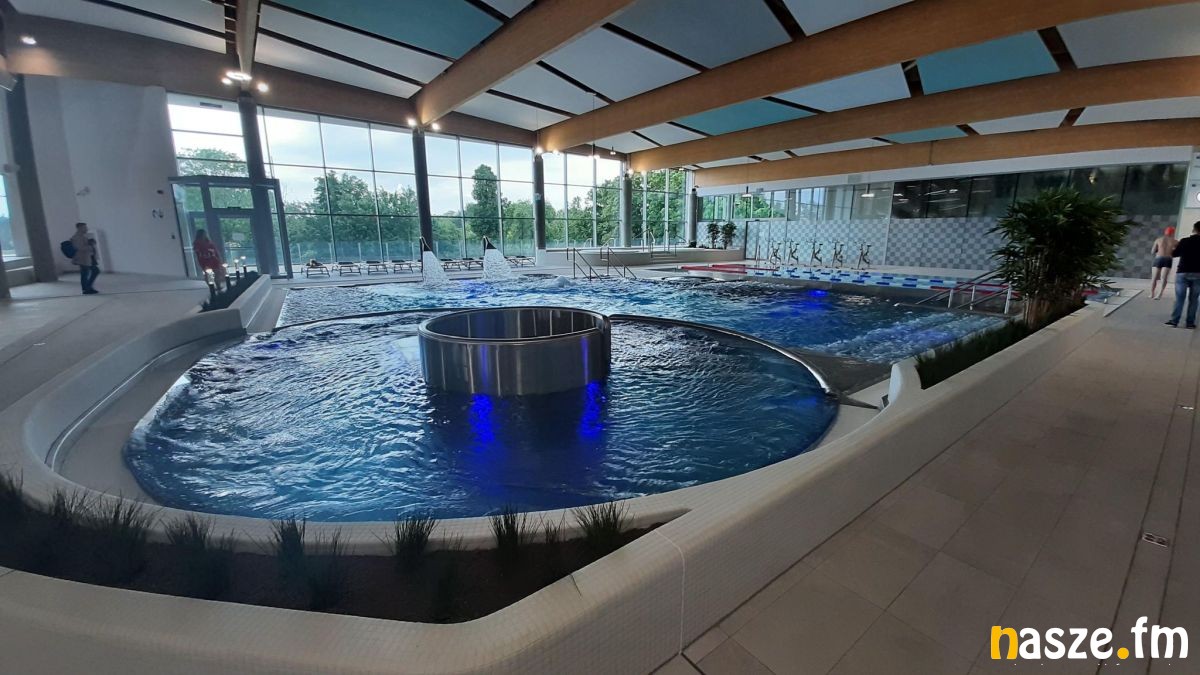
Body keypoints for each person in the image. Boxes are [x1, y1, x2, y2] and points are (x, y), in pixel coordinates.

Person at [1167, 221, 1200, 328]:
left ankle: (1174, 321)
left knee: (1180, 298)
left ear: (1194, 229)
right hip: (1198, 274)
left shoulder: (1185, 241)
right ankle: (1190, 323)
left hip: (1183, 272)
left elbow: (1174, 254)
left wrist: (1173, 247)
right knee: (1194, 300)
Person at [70, 222, 99, 295]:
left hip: (87, 257)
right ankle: (86, 289)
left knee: (92, 271)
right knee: (86, 273)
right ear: (79, 228)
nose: (86, 229)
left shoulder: (82, 236)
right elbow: (79, 247)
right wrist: (91, 246)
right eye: (84, 228)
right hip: (83, 258)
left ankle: (87, 287)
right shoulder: (77, 237)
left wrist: (89, 243)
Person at [1150, 226, 1179, 299]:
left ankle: (1152, 293)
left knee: (1154, 278)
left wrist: (1159, 250)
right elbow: (1178, 252)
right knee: (1164, 278)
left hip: (1158, 258)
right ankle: (1159, 294)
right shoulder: (1175, 241)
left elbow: (1152, 251)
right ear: (1173, 233)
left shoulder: (1158, 240)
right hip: (1168, 259)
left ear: (1165, 232)